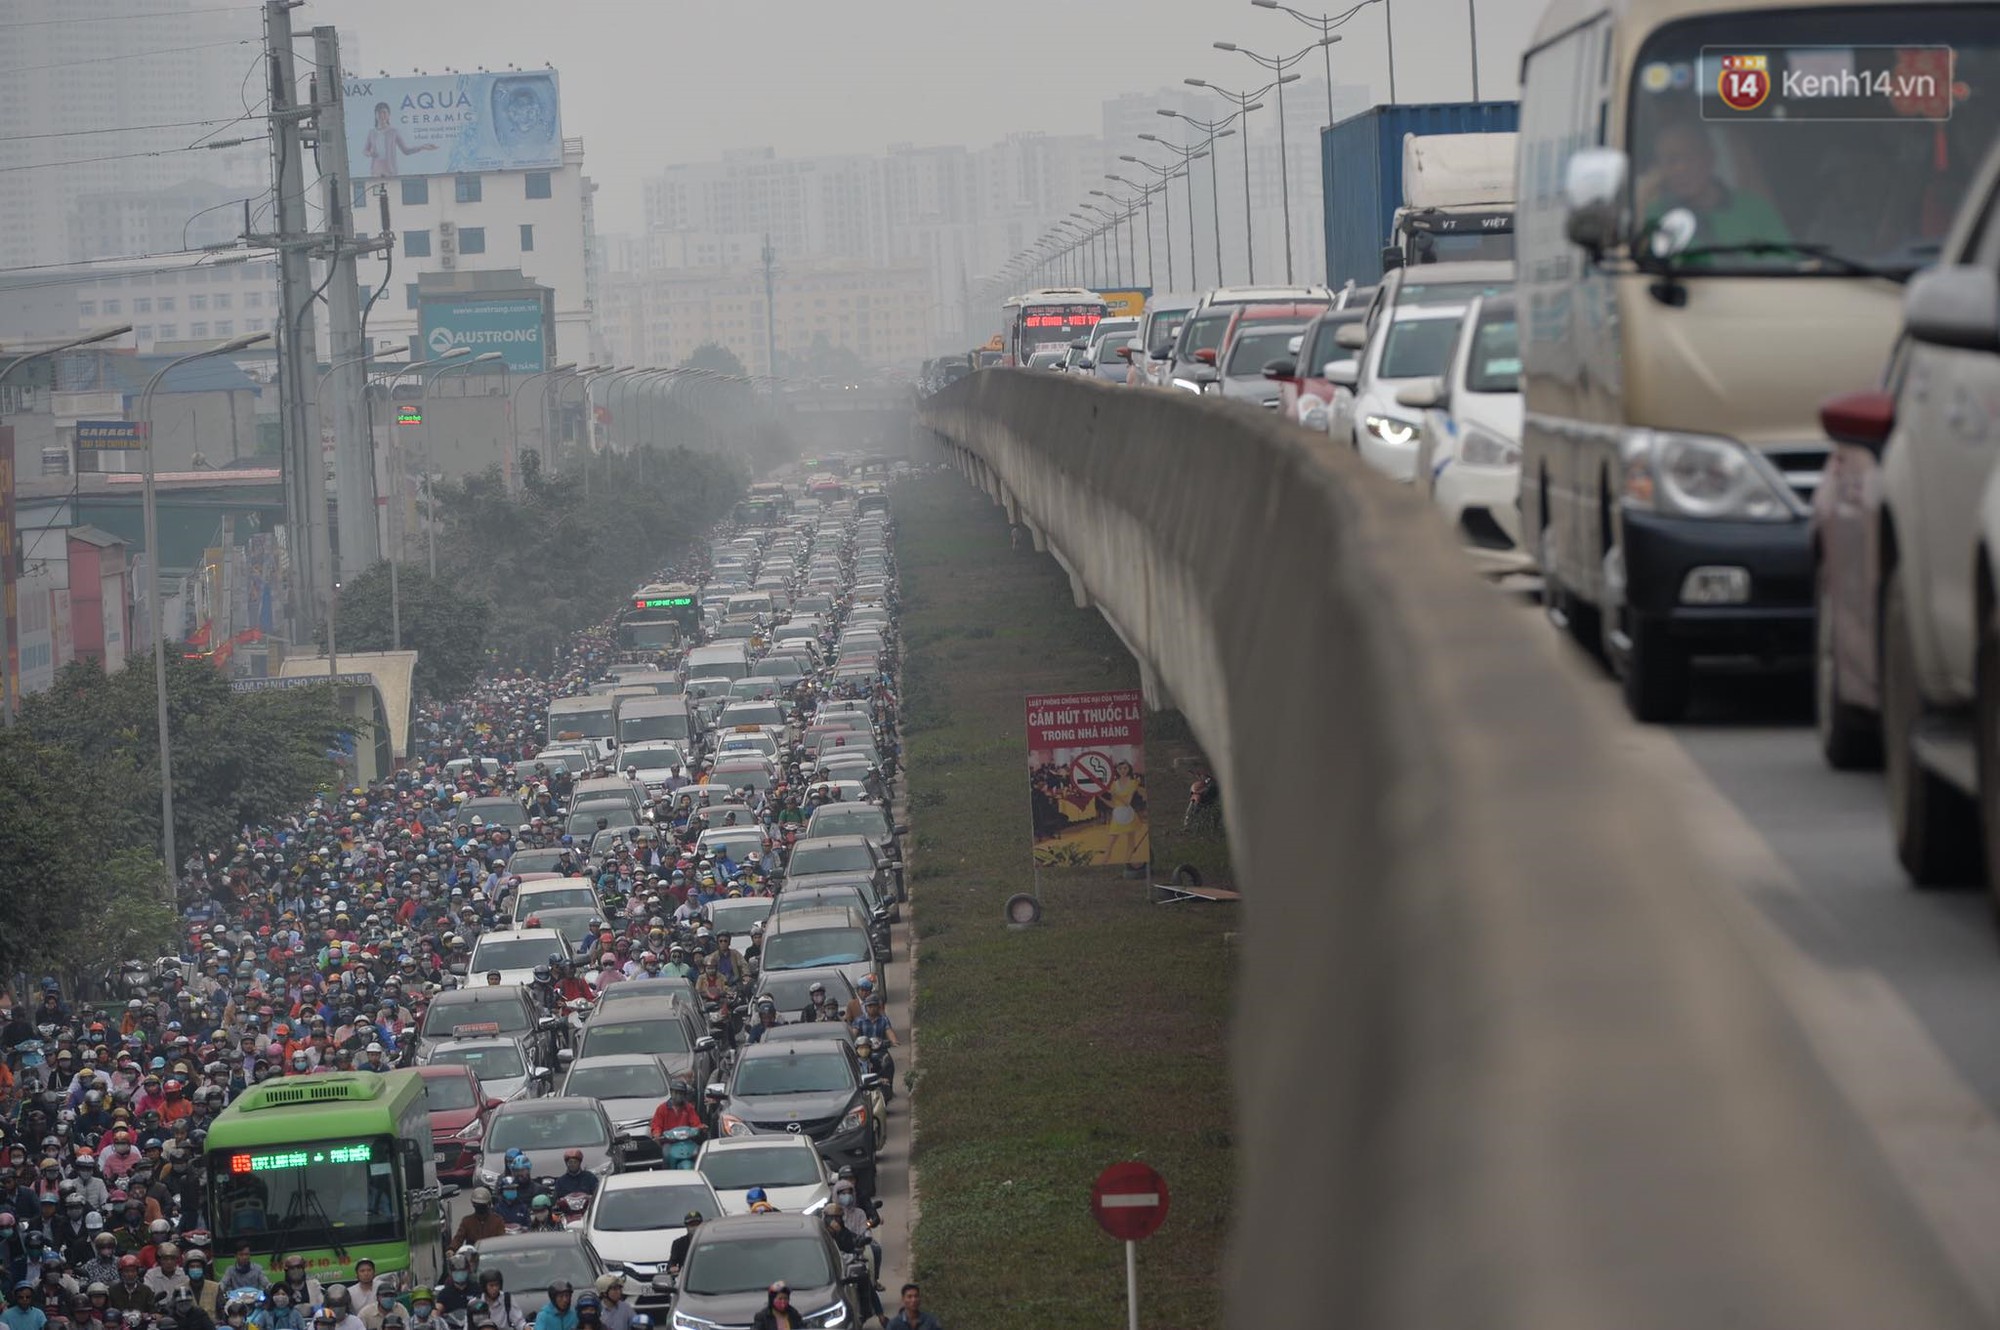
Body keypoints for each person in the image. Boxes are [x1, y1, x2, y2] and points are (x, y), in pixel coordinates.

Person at [1636, 118, 1792, 253]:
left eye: (1690, 158)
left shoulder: (1755, 209)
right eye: (1670, 161)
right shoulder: (1655, 216)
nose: (1680, 169)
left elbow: (1785, 263)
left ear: (1710, 158)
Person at [664, 1214, 701, 1278]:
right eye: (691, 1225)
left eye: (697, 1224)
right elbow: (672, 1262)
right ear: (686, 1226)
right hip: (685, 1278)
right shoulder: (678, 1243)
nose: (695, 1227)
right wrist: (672, 1268)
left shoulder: (710, 1242)